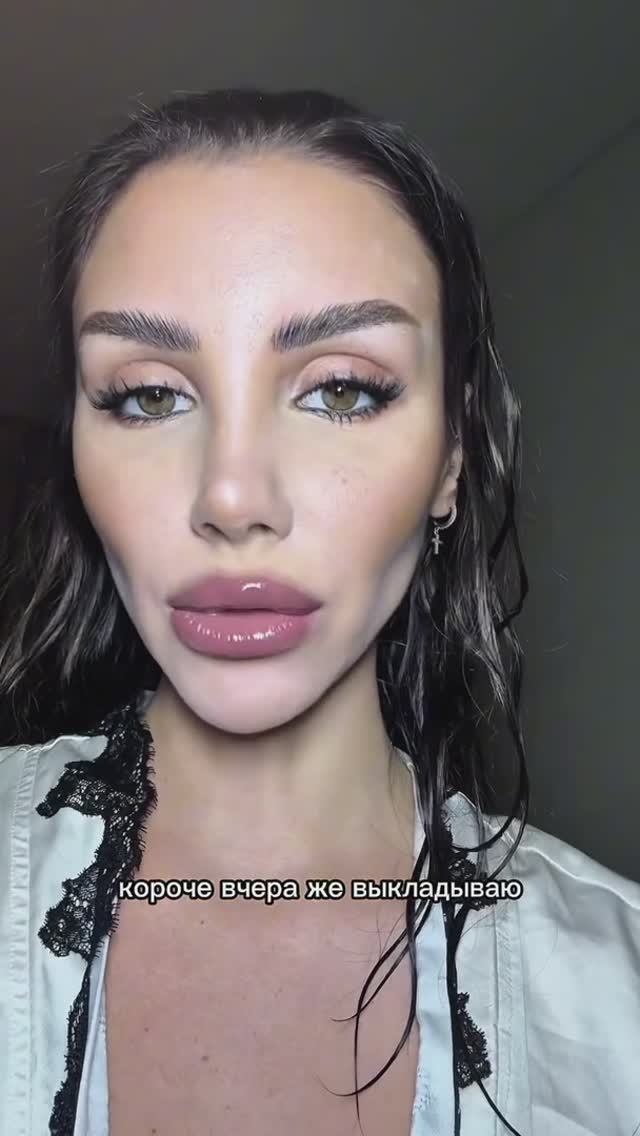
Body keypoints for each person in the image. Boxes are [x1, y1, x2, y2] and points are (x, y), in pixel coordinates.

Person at [0, 87, 638, 1136]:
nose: (231, 496)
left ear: (450, 462)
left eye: (341, 388)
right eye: (149, 394)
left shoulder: (619, 997)